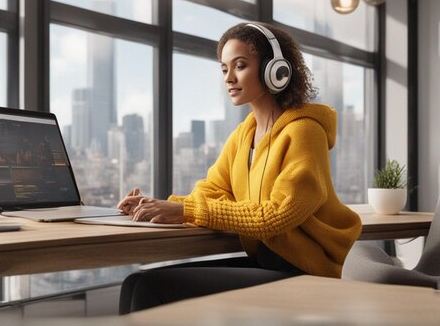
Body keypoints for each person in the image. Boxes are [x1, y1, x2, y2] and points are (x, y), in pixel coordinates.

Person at [117, 22, 362, 314]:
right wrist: (157, 206)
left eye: (240, 66)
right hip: (268, 263)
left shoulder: (304, 132)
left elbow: (277, 215)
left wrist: (183, 211)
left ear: (276, 70)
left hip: (306, 273)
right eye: (224, 69)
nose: (229, 78)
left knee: (150, 288)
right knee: (135, 281)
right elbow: (213, 191)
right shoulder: (244, 134)